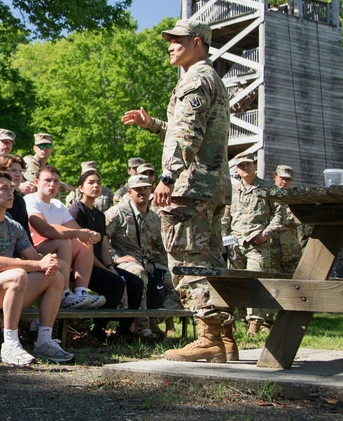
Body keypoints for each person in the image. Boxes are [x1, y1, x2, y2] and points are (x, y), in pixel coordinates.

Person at [121, 18, 235, 363]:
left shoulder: (195, 79)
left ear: (198, 42)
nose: (170, 45)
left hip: (191, 189)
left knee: (188, 263)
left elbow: (187, 136)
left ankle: (209, 338)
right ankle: (225, 339)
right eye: (169, 40)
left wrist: (167, 177)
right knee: (212, 261)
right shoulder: (209, 77)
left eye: (178, 40)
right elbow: (190, 130)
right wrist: (153, 125)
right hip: (212, 187)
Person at [0, 170, 72, 365]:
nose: (10, 193)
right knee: (17, 275)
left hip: (3, 289)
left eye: (12, 189)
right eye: (3, 189)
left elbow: (34, 257)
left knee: (56, 276)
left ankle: (44, 340)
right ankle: (9, 345)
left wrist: (49, 262)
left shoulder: (14, 226)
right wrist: (37, 264)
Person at [105, 175, 177, 341]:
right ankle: (141, 327)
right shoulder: (118, 212)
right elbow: (101, 238)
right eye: (138, 189)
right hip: (126, 263)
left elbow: (161, 247)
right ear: (130, 192)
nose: (142, 192)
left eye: (145, 188)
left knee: (178, 282)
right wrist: (115, 258)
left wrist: (169, 266)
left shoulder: (154, 218)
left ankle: (154, 318)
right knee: (139, 273)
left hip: (150, 263)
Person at [24, 165, 106, 309]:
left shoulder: (58, 204)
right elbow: (45, 230)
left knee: (85, 243)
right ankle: (64, 294)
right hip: (33, 251)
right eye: (47, 180)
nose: (52, 184)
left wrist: (91, 235)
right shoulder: (30, 200)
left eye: (56, 181)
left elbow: (78, 230)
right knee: (63, 242)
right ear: (36, 182)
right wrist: (78, 234)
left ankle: (81, 292)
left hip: (56, 251)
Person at [67, 169, 129, 341]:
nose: (96, 186)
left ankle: (124, 330)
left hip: (99, 264)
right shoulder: (76, 211)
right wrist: (107, 271)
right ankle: (98, 329)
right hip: (81, 266)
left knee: (135, 283)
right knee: (116, 284)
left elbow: (102, 248)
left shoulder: (100, 215)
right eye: (91, 182)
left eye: (99, 183)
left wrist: (110, 267)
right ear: (80, 188)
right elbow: (82, 247)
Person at [222, 153, 280, 334]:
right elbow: (226, 216)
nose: (244, 168)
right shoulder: (232, 189)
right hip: (235, 243)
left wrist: (266, 233)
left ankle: (256, 321)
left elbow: (279, 215)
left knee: (257, 282)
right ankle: (240, 320)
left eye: (247, 165)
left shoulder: (267, 188)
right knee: (237, 283)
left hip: (258, 241)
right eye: (240, 166)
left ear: (255, 165)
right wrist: (223, 238)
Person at [269, 165, 302, 276]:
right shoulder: (267, 196)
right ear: (274, 177)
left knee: (295, 281)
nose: (284, 182)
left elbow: (298, 220)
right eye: (282, 178)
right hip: (271, 248)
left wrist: (278, 225)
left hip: (291, 249)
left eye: (287, 179)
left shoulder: (295, 199)